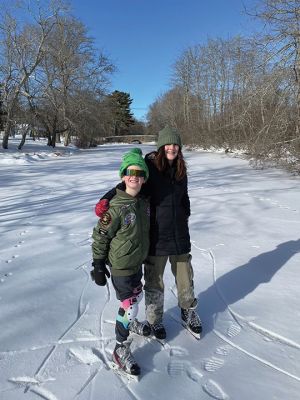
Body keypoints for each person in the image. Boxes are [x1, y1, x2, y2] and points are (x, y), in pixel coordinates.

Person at [95, 126, 202, 340]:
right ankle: (155, 320)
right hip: (156, 234)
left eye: (175, 144)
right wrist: (106, 199)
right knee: (155, 280)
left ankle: (188, 311)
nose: (172, 148)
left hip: (179, 234)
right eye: (168, 144)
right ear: (161, 146)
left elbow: (184, 195)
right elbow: (126, 182)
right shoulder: (151, 167)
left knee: (185, 277)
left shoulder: (181, 169)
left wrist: (185, 212)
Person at [91, 148, 151, 377]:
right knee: (129, 305)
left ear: (144, 177)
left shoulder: (143, 202)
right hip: (121, 265)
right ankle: (120, 348)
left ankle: (131, 322)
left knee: (137, 297)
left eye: (138, 171)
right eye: (129, 171)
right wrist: (97, 264)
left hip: (136, 262)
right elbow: (100, 235)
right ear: (123, 175)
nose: (133, 175)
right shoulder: (115, 207)